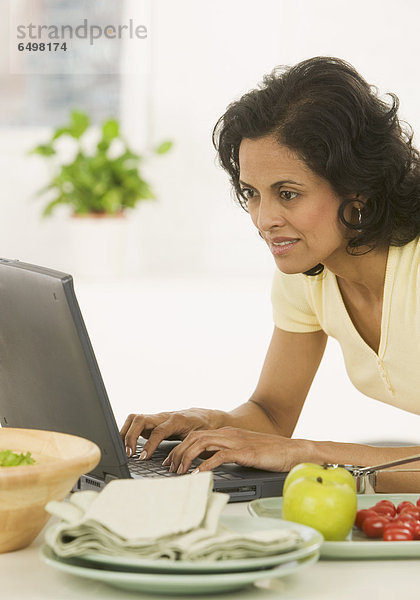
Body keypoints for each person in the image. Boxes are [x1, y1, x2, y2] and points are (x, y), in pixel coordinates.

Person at [120, 56, 420, 491]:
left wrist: (311, 454)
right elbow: (272, 414)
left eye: (287, 194)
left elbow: (292, 445)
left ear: (359, 189)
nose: (264, 220)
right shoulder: (309, 274)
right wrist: (206, 422)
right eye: (251, 193)